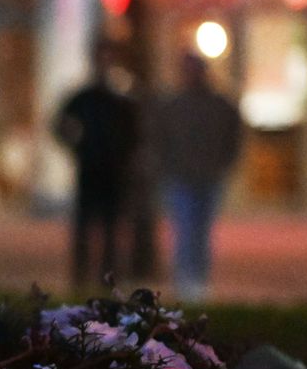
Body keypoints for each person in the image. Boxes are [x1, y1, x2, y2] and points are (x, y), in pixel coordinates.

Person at [147, 53, 244, 304]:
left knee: (201, 232)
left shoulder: (219, 105)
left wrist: (224, 164)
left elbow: (234, 137)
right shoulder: (172, 105)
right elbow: (158, 139)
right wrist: (165, 166)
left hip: (209, 178)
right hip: (179, 178)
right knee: (184, 230)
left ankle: (199, 283)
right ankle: (185, 283)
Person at [52, 42, 140, 289]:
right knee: (83, 227)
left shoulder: (121, 101)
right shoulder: (84, 98)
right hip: (89, 170)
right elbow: (59, 125)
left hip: (114, 173)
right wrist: (77, 148)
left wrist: (125, 156)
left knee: (112, 230)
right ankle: (80, 278)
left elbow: (135, 134)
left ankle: (108, 279)